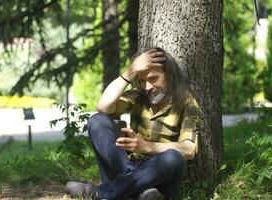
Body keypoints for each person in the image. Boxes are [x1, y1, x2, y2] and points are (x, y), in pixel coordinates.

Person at [66, 47, 202, 200]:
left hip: (159, 175)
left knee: (173, 158)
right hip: (129, 166)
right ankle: (140, 193)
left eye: (153, 79)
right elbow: (103, 107)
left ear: (169, 76)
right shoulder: (138, 95)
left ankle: (99, 192)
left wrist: (146, 147)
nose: (147, 87)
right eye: (142, 80)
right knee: (97, 121)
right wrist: (130, 71)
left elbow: (189, 150)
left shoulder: (186, 103)